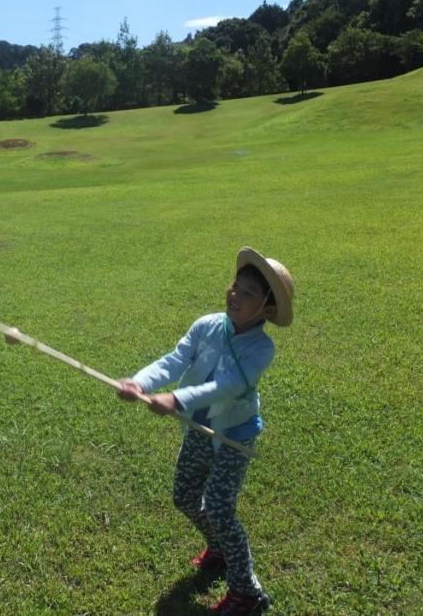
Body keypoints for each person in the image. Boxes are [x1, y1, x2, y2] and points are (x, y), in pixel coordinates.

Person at [116, 247, 294, 615]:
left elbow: (227, 387)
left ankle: (248, 593)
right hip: (199, 427)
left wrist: (178, 399)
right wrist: (139, 383)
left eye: (248, 293)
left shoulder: (262, 349)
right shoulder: (207, 325)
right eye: (235, 286)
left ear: (268, 309)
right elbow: (175, 359)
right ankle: (219, 548)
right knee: (184, 496)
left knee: (218, 507)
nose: (235, 295)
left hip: (234, 435)